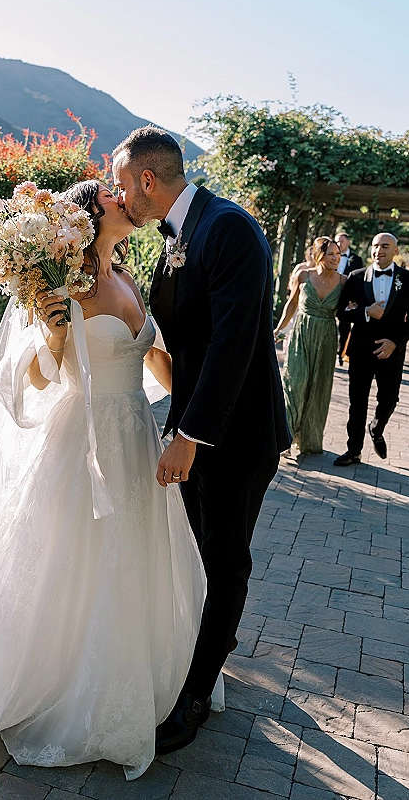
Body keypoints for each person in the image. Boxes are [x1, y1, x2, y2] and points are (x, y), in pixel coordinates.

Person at [0, 180, 206, 781]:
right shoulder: (58, 287)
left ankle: (130, 676)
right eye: (117, 194)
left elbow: (157, 365)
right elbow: (33, 381)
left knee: (132, 562)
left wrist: (204, 417)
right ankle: (60, 683)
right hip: (82, 442)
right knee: (71, 561)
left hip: (135, 443)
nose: (129, 198)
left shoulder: (129, 279)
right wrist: (57, 335)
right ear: (92, 215)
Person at [112, 126, 290, 756]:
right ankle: (211, 643)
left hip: (236, 436)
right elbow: (183, 339)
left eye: (120, 182)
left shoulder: (229, 228)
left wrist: (188, 435)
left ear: (145, 180)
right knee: (195, 554)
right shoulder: (177, 238)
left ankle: (195, 696)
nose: (118, 193)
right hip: (194, 428)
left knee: (223, 557)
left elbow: (234, 342)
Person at [334, 232, 409, 466]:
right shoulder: (356, 277)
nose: (379, 250)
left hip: (392, 351)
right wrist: (366, 312)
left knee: (389, 398)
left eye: (385, 246)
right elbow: (342, 313)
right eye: (376, 245)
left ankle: (377, 427)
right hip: (360, 350)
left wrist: (395, 342)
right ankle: (354, 451)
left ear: (395, 251)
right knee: (357, 402)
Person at [274, 237, 346, 455]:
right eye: (331, 254)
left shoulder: (344, 281)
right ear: (319, 255)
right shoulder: (304, 275)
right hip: (301, 335)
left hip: (326, 338)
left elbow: (348, 312)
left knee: (318, 388)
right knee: (294, 382)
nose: (336, 258)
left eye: (338, 254)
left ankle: (308, 440)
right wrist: (278, 330)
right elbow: (292, 304)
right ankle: (285, 438)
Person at [334, 232, 364, 365]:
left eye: (341, 241)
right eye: (337, 241)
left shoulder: (356, 259)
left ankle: (341, 352)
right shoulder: (332, 256)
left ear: (348, 243)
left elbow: (358, 280)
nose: (339, 244)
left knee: (344, 325)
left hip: (347, 296)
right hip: (331, 292)